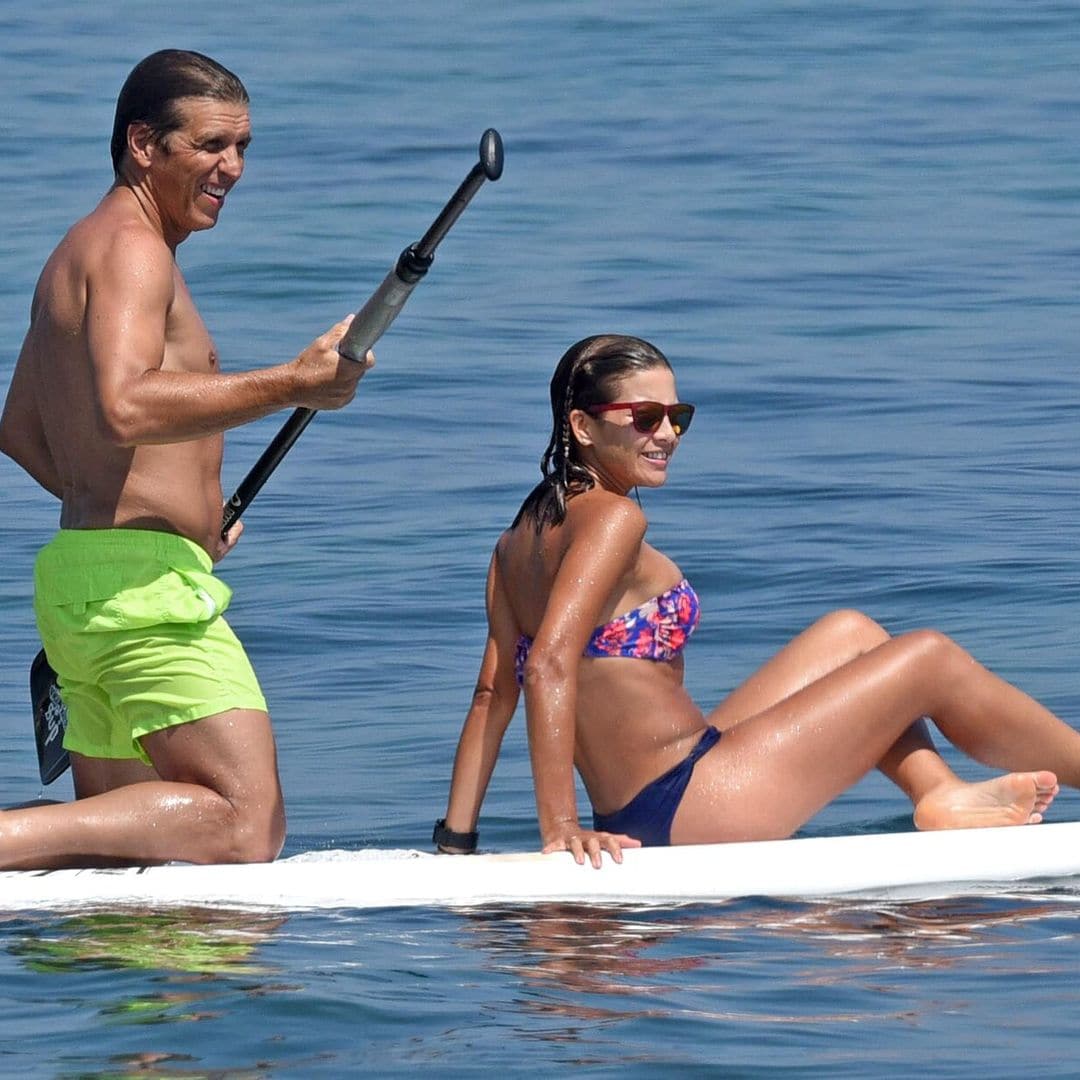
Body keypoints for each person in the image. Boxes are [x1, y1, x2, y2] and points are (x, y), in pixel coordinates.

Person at [435, 333, 1079, 867]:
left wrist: (456, 842)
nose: (668, 434)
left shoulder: (512, 545)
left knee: (850, 632)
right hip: (688, 806)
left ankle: (937, 793)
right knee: (929, 657)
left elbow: (493, 695)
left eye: (677, 416)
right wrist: (562, 829)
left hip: (669, 784)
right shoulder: (612, 521)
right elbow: (549, 664)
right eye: (645, 418)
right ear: (581, 426)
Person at [0, 49, 372, 869]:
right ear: (143, 143)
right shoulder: (136, 251)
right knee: (243, 823)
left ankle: (153, 999)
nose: (231, 167)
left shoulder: (75, 252)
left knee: (134, 866)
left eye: (242, 146)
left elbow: (20, 428)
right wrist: (295, 383)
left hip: (84, 574)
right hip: (141, 593)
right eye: (209, 145)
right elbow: (126, 402)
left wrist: (166, 512)